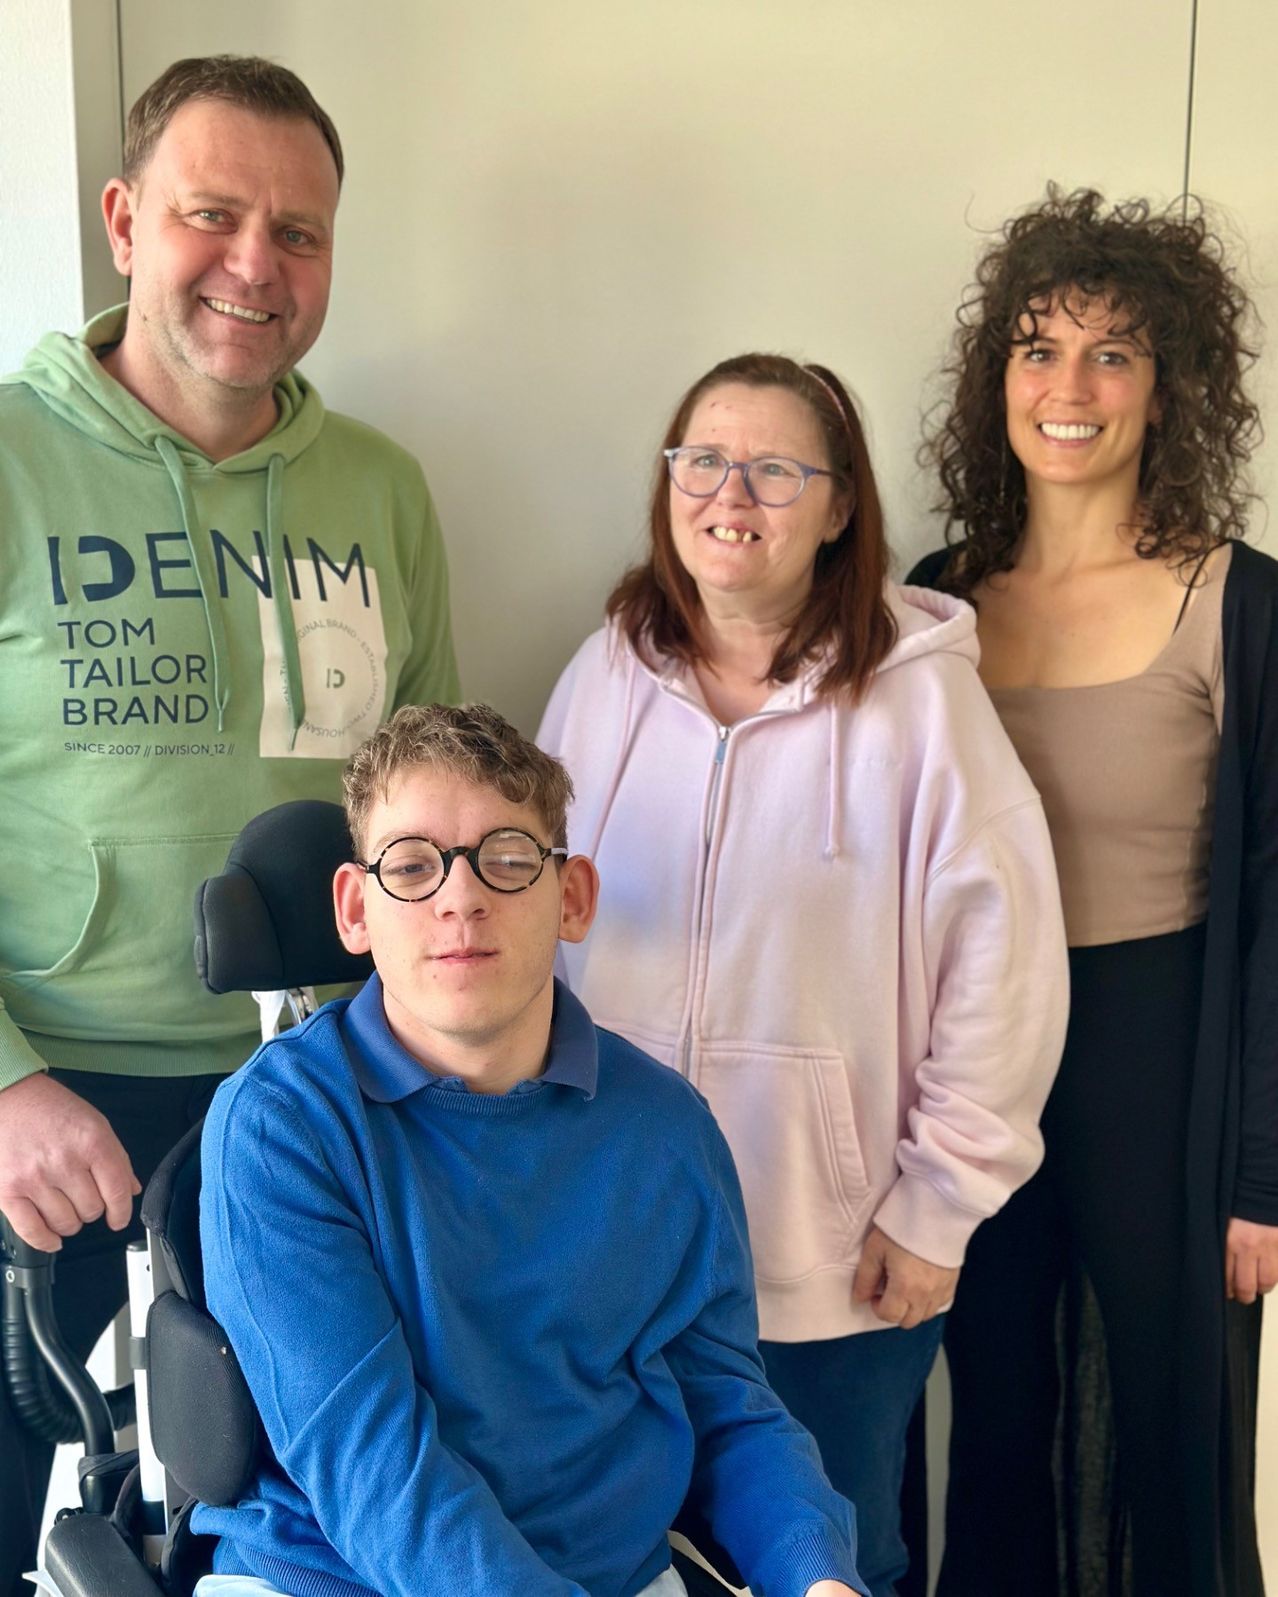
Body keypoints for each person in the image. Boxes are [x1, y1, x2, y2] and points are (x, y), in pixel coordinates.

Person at [0, 55, 457, 1594]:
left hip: (319, 1105)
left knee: (290, 1533)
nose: (257, 265)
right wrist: (1, 1084)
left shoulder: (379, 489)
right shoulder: (7, 459)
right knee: (58, 1536)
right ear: (126, 220)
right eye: (213, 215)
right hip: (56, 1119)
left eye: (302, 232)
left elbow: (425, 805)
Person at [536, 352, 1069, 1597]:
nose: (733, 492)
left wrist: (940, 1205)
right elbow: (529, 927)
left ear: (838, 509)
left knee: (827, 1559)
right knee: (624, 1553)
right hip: (611, 1241)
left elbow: (1007, 967)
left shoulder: (922, 707)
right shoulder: (606, 671)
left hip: (833, 1258)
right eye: (704, 460)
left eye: (776, 469)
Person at [190, 700, 866, 1597]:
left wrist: (815, 1574)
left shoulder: (667, 1128)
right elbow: (373, 1469)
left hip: (609, 1572)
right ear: (356, 908)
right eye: (413, 865)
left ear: (572, 896)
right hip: (332, 1574)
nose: (460, 897)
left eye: (508, 858)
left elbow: (729, 1412)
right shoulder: (279, 1127)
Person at [908, 186, 1276, 1597]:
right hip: (978, 1057)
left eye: (1112, 352)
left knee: (1173, 1426)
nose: (1067, 388)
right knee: (991, 1416)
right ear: (993, 377)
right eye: (1035, 347)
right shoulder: (933, 599)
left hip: (1159, 1050)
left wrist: (1261, 1173)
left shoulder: (1239, 602)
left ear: (1167, 388)